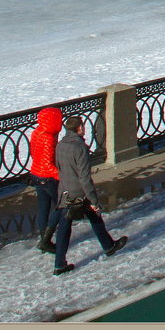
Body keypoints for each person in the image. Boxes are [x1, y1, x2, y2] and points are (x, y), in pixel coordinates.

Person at [52, 115, 127, 276]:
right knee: (93, 216)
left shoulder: (60, 145)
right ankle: (108, 247)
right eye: (83, 126)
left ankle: (60, 263)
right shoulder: (80, 147)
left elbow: (59, 167)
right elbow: (84, 177)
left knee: (66, 228)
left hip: (64, 190)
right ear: (79, 128)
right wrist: (93, 199)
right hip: (79, 192)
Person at [28, 107, 63, 254]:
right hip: (47, 178)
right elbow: (48, 165)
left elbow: (34, 154)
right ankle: (46, 241)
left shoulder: (37, 131)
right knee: (61, 205)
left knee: (43, 209)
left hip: (35, 174)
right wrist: (61, 176)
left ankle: (44, 239)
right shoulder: (48, 137)